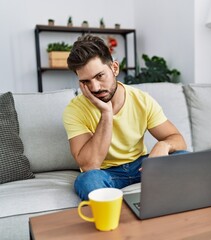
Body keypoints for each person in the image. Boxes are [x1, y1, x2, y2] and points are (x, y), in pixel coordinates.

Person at [63, 35, 187, 200]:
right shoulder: (75, 110)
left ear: (114, 68)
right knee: (87, 181)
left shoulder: (142, 99)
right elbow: (89, 165)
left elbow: (178, 140)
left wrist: (164, 145)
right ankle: (117, 220)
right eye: (86, 82)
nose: (95, 87)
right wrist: (106, 113)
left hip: (141, 166)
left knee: (184, 158)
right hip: (105, 173)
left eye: (100, 76)